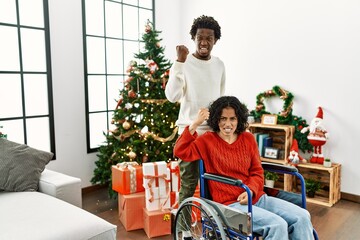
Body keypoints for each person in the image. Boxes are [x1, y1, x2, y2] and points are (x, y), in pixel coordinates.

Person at [174, 96, 314, 240]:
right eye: (223, 118)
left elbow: (257, 172)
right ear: (216, 119)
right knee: (277, 225)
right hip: (229, 207)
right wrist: (195, 124)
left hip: (256, 197)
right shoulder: (207, 141)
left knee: (302, 217)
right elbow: (180, 151)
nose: (228, 124)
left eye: (232, 119)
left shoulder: (248, 139)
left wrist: (251, 191)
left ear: (239, 119)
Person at [165, 15, 226, 239]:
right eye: (200, 37)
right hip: (190, 133)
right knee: (189, 185)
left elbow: (221, 99)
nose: (204, 41)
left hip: (212, 135)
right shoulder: (184, 62)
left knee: (213, 184)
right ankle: (183, 232)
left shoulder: (219, 65)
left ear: (215, 40)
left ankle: (212, 229)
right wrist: (179, 62)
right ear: (194, 38)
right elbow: (172, 96)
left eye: (209, 38)